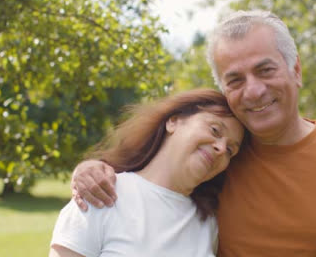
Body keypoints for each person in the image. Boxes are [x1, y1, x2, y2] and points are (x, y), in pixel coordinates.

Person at [71, 10, 316, 256]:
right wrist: (92, 169)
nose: (253, 91)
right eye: (235, 80)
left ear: (296, 70)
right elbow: (153, 188)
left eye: (265, 70)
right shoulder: (218, 160)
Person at [49, 89, 245, 257]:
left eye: (230, 150)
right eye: (215, 130)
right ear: (174, 121)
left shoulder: (207, 224)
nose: (221, 147)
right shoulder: (100, 192)